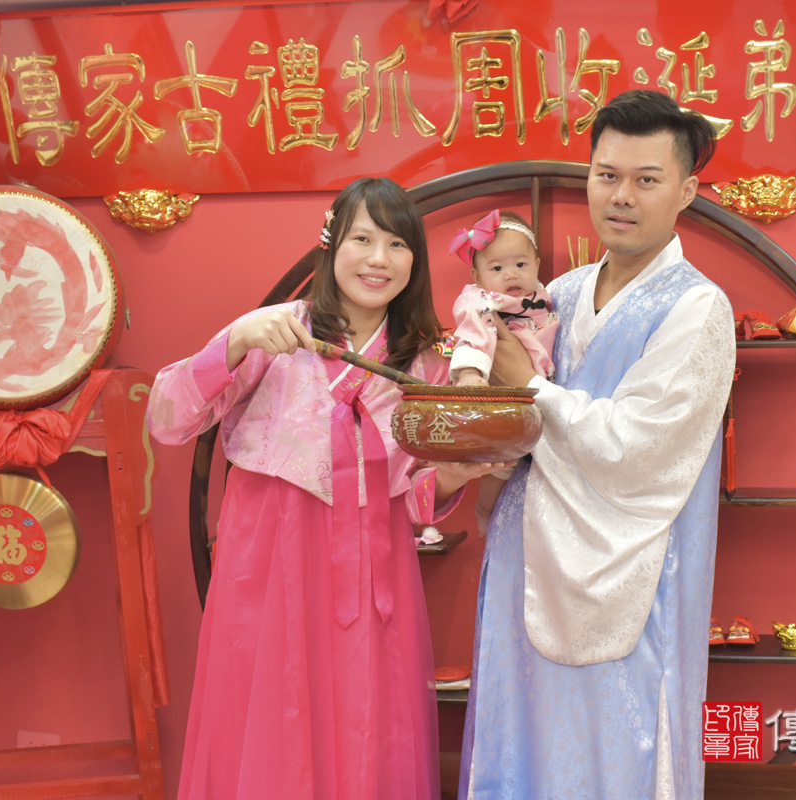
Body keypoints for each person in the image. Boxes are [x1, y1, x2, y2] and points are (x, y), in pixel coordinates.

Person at [147, 177, 504, 800]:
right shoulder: (273, 331)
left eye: (397, 244)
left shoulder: (426, 362)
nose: (378, 259)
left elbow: (413, 498)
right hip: (269, 561)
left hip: (376, 567)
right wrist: (234, 342)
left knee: (370, 717)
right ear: (331, 245)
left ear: (415, 261)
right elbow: (167, 420)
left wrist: (455, 475)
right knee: (272, 715)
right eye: (362, 239)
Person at [458, 90, 736, 799]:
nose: (621, 196)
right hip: (524, 560)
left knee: (614, 759)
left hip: (622, 578)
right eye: (606, 174)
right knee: (516, 745)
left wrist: (528, 387)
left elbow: (636, 449)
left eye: (647, 179)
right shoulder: (565, 290)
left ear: (686, 191)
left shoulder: (697, 307)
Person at [447, 209, 559, 533]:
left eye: (521, 264)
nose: (511, 275)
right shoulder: (482, 300)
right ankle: (484, 509)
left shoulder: (544, 297)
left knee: (537, 461)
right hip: (497, 392)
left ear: (537, 263)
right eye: (497, 268)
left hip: (539, 391)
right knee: (502, 464)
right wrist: (471, 374)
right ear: (477, 275)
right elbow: (474, 334)